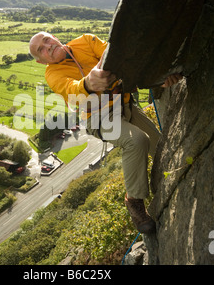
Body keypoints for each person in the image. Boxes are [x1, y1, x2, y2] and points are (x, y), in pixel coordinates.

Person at [29, 32, 182, 233]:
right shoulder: (52, 74)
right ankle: (134, 201)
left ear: (55, 37)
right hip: (98, 118)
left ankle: (171, 181)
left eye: (46, 40)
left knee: (162, 148)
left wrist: (159, 80)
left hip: (124, 104)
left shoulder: (86, 41)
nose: (47, 46)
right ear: (42, 62)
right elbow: (71, 89)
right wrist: (87, 84)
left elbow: (119, 60)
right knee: (136, 141)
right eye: (41, 49)